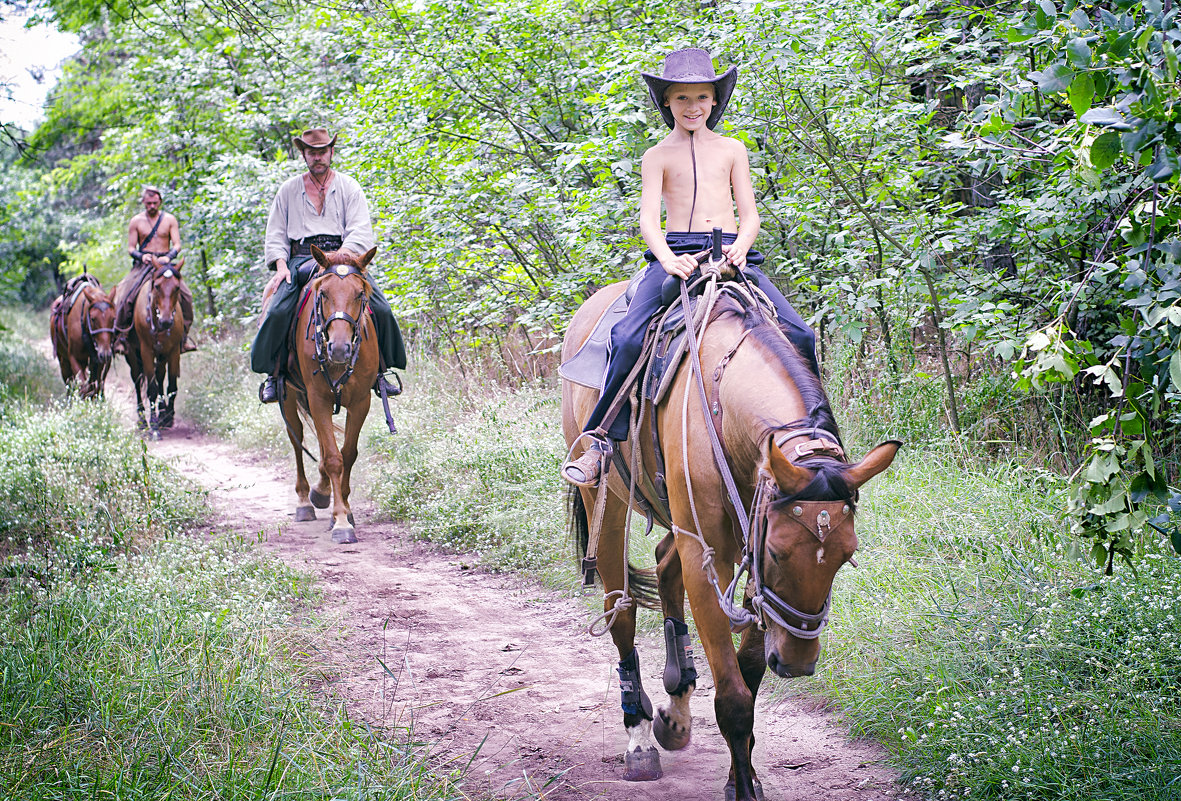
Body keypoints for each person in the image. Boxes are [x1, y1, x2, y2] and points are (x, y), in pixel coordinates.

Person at [561, 48, 820, 487]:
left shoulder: (732, 149)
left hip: (730, 252)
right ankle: (602, 439)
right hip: (677, 253)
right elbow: (647, 219)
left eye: (701, 97)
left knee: (801, 334)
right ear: (667, 102)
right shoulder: (656, 155)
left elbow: (750, 213)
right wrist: (667, 258)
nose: (693, 106)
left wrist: (741, 246)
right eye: (682, 98)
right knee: (626, 336)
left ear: (715, 100)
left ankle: (814, 434)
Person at [251, 127, 405, 403]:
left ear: (331, 152)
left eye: (323, 151)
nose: (318, 157)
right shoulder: (288, 191)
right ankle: (273, 375)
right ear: (304, 155)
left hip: (345, 259)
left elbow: (360, 229)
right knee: (276, 312)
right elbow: (275, 232)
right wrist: (281, 265)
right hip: (301, 260)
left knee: (380, 307)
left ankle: (381, 371)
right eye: (312, 152)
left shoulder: (348, 186)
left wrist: (341, 257)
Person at [114, 186, 196, 353]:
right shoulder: (136, 221)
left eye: (155, 203)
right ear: (144, 202)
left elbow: (177, 244)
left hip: (165, 264)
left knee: (186, 296)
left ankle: (183, 337)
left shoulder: (169, 220)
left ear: (160, 202)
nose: (152, 206)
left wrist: (169, 256)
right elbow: (130, 248)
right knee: (124, 295)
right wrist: (140, 256)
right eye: (148, 203)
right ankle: (121, 337)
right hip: (143, 265)